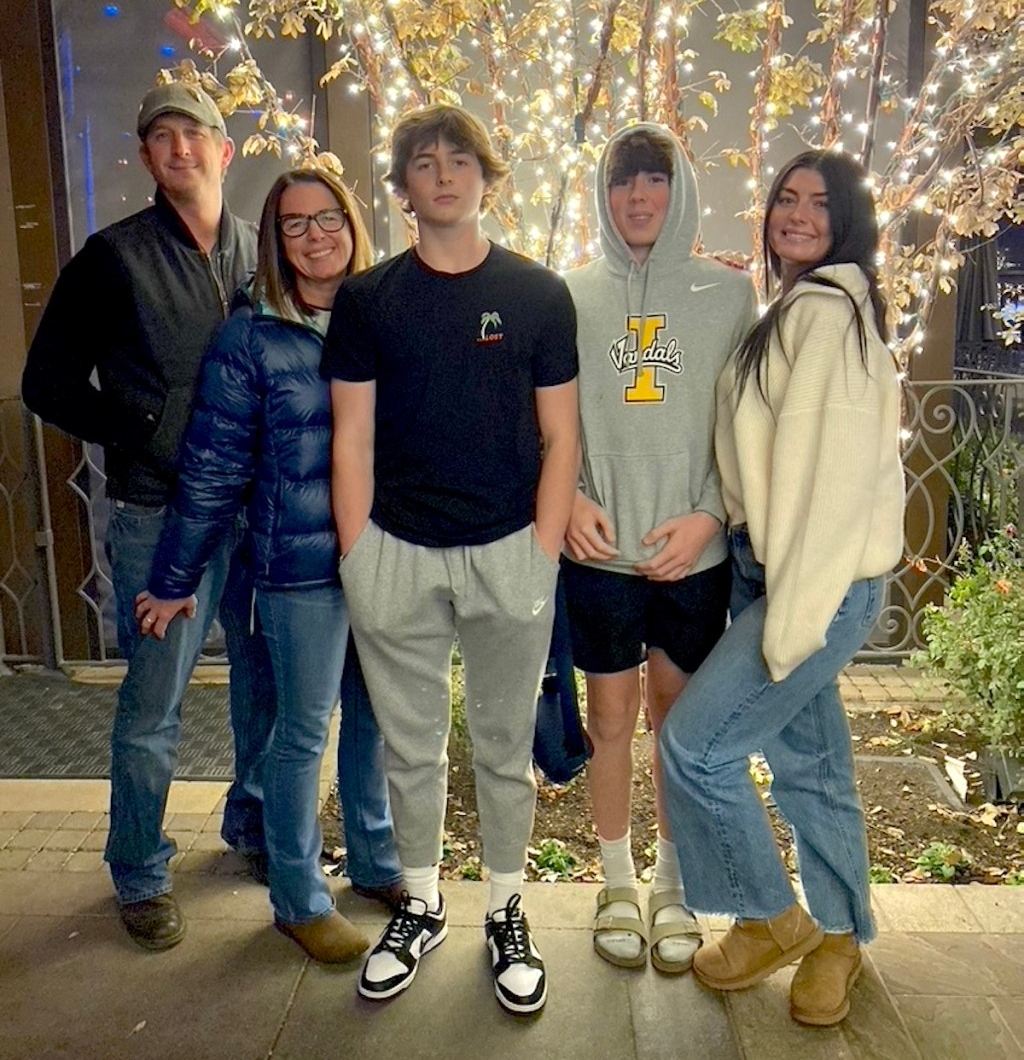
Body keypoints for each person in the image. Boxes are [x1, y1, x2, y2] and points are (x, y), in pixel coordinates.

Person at [323, 104, 579, 1014]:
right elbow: (350, 437)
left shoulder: (542, 295)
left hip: (509, 551)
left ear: (486, 176)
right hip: (394, 551)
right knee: (410, 744)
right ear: (402, 187)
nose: (442, 174)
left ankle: (506, 906)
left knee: (507, 748)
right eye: (423, 162)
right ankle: (422, 899)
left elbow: (563, 436)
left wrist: (542, 553)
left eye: (459, 159)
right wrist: (358, 552)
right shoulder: (368, 299)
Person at [21, 81, 273, 950]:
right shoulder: (112, 257)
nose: (179, 149)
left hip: (257, 511)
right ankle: (138, 870)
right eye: (159, 136)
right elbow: (44, 383)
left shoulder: (260, 252)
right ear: (146, 159)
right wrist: (143, 424)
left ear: (224, 148)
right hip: (156, 513)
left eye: (194, 133)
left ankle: (254, 826)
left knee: (260, 683)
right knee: (155, 699)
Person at [659, 149, 905, 1026]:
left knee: (695, 745)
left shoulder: (829, 316)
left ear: (847, 221)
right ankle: (841, 931)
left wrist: (792, 619)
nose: (796, 214)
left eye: (818, 203)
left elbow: (833, 489)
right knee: (811, 764)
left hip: (816, 577)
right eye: (784, 199)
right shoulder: (801, 307)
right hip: (781, 569)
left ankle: (772, 917)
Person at [135, 167, 384, 962]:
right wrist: (173, 580)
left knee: (374, 724)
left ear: (353, 223)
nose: (316, 236)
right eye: (294, 224)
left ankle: (376, 863)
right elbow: (210, 467)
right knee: (300, 733)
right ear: (274, 240)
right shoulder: (251, 335)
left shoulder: (382, 314)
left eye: (329, 219)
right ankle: (299, 898)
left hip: (382, 560)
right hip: (297, 570)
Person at [562, 124, 755, 973]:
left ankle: (672, 886)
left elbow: (747, 428)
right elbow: (546, 418)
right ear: (602, 196)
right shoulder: (566, 294)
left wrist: (710, 515)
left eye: (655, 179)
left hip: (690, 560)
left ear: (681, 190)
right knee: (610, 720)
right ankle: (615, 881)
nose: (638, 197)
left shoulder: (729, 295)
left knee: (675, 723)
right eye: (621, 181)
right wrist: (564, 497)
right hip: (598, 555)